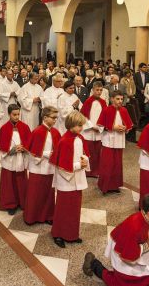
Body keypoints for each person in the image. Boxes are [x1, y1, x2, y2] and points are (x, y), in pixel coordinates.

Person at [82, 194, 149, 286]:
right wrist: (148, 245)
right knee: (124, 282)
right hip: (124, 252)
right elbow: (129, 257)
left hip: (138, 249)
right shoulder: (134, 226)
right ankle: (94, 264)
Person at [50, 110, 89, 248]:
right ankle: (58, 234)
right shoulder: (64, 141)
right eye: (79, 125)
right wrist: (79, 165)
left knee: (74, 208)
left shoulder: (80, 138)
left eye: (82, 125)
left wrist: (85, 160)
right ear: (71, 125)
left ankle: (71, 234)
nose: (81, 128)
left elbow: (85, 154)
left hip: (77, 178)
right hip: (65, 180)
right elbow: (61, 166)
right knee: (63, 208)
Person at [23, 106, 60, 225]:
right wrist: (46, 154)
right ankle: (32, 217)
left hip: (49, 168)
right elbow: (31, 152)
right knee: (35, 193)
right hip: (37, 167)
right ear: (45, 118)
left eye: (56, 118)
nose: (55, 120)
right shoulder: (37, 131)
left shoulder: (55, 132)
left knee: (48, 193)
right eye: (53, 118)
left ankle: (48, 215)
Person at [0, 104, 30, 214]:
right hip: (9, 159)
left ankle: (22, 202)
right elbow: (0, 145)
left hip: (20, 159)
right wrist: (12, 149)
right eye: (14, 114)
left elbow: (29, 142)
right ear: (9, 114)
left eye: (18, 114)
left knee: (21, 181)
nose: (17, 117)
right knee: (9, 183)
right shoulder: (4, 128)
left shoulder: (24, 127)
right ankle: (10, 204)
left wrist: (24, 147)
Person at [97, 91, 133, 194]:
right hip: (108, 140)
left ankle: (114, 185)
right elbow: (100, 126)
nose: (120, 101)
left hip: (119, 140)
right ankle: (105, 186)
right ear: (112, 99)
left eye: (121, 99)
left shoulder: (124, 110)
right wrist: (113, 127)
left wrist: (125, 128)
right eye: (117, 99)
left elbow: (128, 125)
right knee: (107, 164)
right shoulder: (106, 110)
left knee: (117, 164)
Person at [80, 81, 106, 179]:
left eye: (101, 90)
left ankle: (96, 171)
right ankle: (88, 171)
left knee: (97, 152)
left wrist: (99, 127)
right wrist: (91, 126)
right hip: (88, 131)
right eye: (97, 90)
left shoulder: (103, 102)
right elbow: (83, 116)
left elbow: (105, 117)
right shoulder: (88, 101)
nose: (99, 92)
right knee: (89, 151)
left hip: (98, 130)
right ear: (92, 90)